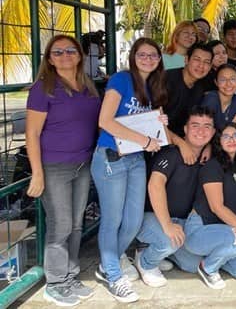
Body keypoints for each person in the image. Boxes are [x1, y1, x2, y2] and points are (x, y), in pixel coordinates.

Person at [26, 35, 101, 306]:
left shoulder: (87, 85)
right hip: (54, 167)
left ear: (80, 55)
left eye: (71, 50)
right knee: (61, 225)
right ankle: (55, 283)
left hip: (83, 164)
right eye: (57, 52)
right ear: (49, 58)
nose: (65, 55)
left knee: (77, 223)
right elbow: (32, 133)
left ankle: (69, 276)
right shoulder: (43, 88)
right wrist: (37, 172)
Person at [92, 38, 168, 303]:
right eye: (142, 54)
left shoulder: (152, 86)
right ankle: (113, 275)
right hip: (111, 157)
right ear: (133, 57)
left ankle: (106, 264)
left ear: (159, 60)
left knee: (133, 221)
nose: (148, 59)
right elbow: (105, 121)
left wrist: (158, 124)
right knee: (112, 221)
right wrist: (146, 140)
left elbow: (139, 123)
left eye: (153, 55)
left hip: (136, 159)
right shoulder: (121, 80)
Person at [134, 107, 217, 288]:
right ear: (185, 129)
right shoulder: (171, 153)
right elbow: (155, 185)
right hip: (152, 217)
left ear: (213, 132)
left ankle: (159, 249)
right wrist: (167, 225)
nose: (201, 131)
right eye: (195, 126)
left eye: (207, 126)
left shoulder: (208, 158)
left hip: (182, 221)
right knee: (169, 241)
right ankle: (145, 261)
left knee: (192, 265)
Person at [191, 123, 236, 285]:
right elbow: (218, 207)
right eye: (226, 136)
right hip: (201, 228)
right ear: (218, 141)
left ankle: (220, 257)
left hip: (225, 230)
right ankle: (207, 267)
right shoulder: (212, 167)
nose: (231, 140)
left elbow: (235, 204)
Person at [164, 42, 213, 143]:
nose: (201, 65)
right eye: (197, 59)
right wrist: (180, 143)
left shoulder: (199, 88)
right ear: (186, 60)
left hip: (177, 141)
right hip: (152, 139)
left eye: (206, 62)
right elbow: (152, 119)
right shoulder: (167, 79)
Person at [202, 64, 236, 131]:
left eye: (232, 79)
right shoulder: (210, 100)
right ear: (216, 82)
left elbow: (231, 129)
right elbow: (203, 130)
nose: (228, 84)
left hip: (224, 139)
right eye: (223, 80)